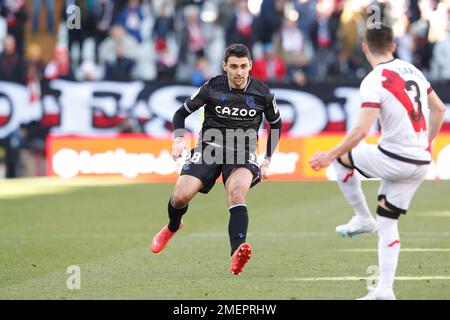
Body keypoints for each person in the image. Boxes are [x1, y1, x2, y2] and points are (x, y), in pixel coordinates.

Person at [309, 23, 446, 300]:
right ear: (393, 46)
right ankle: (384, 289)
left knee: (342, 160)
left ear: (364, 48)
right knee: (387, 222)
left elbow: (360, 131)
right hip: (420, 162)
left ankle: (361, 218)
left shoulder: (374, 79)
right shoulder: (414, 71)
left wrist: (329, 154)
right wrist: (426, 144)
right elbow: (439, 109)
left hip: (395, 158)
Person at [150, 43, 282, 276]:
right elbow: (180, 113)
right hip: (210, 147)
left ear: (250, 66)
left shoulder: (263, 93)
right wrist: (179, 139)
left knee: (237, 193)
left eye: (243, 66)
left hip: (243, 151)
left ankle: (236, 252)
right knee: (180, 197)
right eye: (233, 67)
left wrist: (268, 159)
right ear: (225, 66)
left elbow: (276, 124)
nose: (239, 72)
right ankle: (173, 227)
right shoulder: (212, 86)